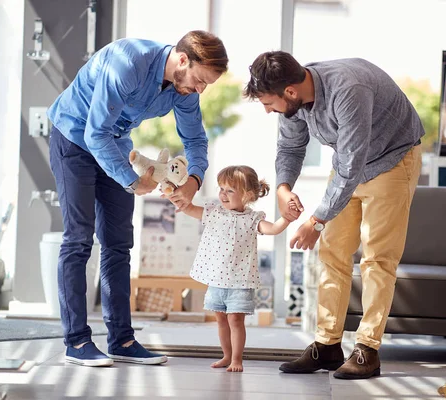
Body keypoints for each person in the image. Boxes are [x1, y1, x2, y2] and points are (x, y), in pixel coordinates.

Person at [47, 30, 228, 367]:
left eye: (206, 85)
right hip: (74, 138)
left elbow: (196, 140)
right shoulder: (128, 63)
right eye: (200, 80)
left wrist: (194, 179)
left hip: (113, 146)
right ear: (183, 59)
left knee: (118, 243)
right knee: (78, 239)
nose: (199, 90)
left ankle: (122, 340)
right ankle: (76, 341)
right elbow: (94, 131)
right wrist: (132, 182)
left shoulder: (183, 88)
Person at [244, 51, 424, 379]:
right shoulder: (296, 97)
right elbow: (290, 148)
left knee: (377, 259)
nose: (268, 110)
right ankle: (327, 346)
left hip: (393, 159)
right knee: (331, 253)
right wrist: (283, 188)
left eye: (268, 103)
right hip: (348, 166)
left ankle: (367, 350)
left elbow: (352, 162)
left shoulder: (348, 91)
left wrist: (316, 221)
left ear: (290, 92)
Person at [179, 166, 291, 372]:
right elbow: (189, 209)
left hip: (240, 281)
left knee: (235, 320)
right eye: (221, 188)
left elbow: (274, 229)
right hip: (216, 281)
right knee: (221, 320)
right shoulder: (213, 212)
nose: (222, 194)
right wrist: (175, 197)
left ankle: (237, 359)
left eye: (230, 190)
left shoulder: (252, 219)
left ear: (247, 195)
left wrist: (287, 218)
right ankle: (226, 356)